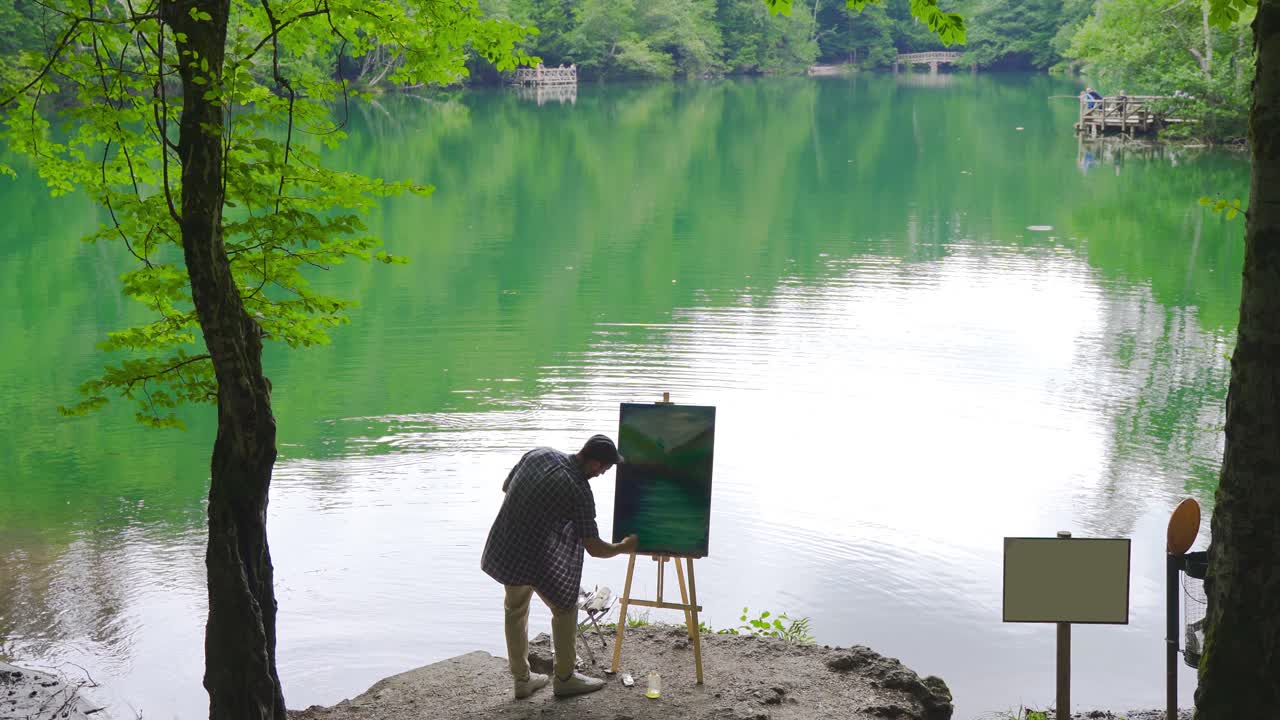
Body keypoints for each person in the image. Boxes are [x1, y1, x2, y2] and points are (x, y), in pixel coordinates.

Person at [482, 435, 638, 699]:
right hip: (537, 556)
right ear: (594, 462)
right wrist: (623, 546)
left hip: (508, 545)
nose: (602, 474)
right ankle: (565, 679)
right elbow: (595, 548)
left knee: (515, 609)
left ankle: (522, 680)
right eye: (604, 468)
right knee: (565, 608)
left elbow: (507, 487)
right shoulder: (579, 490)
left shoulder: (539, 454)